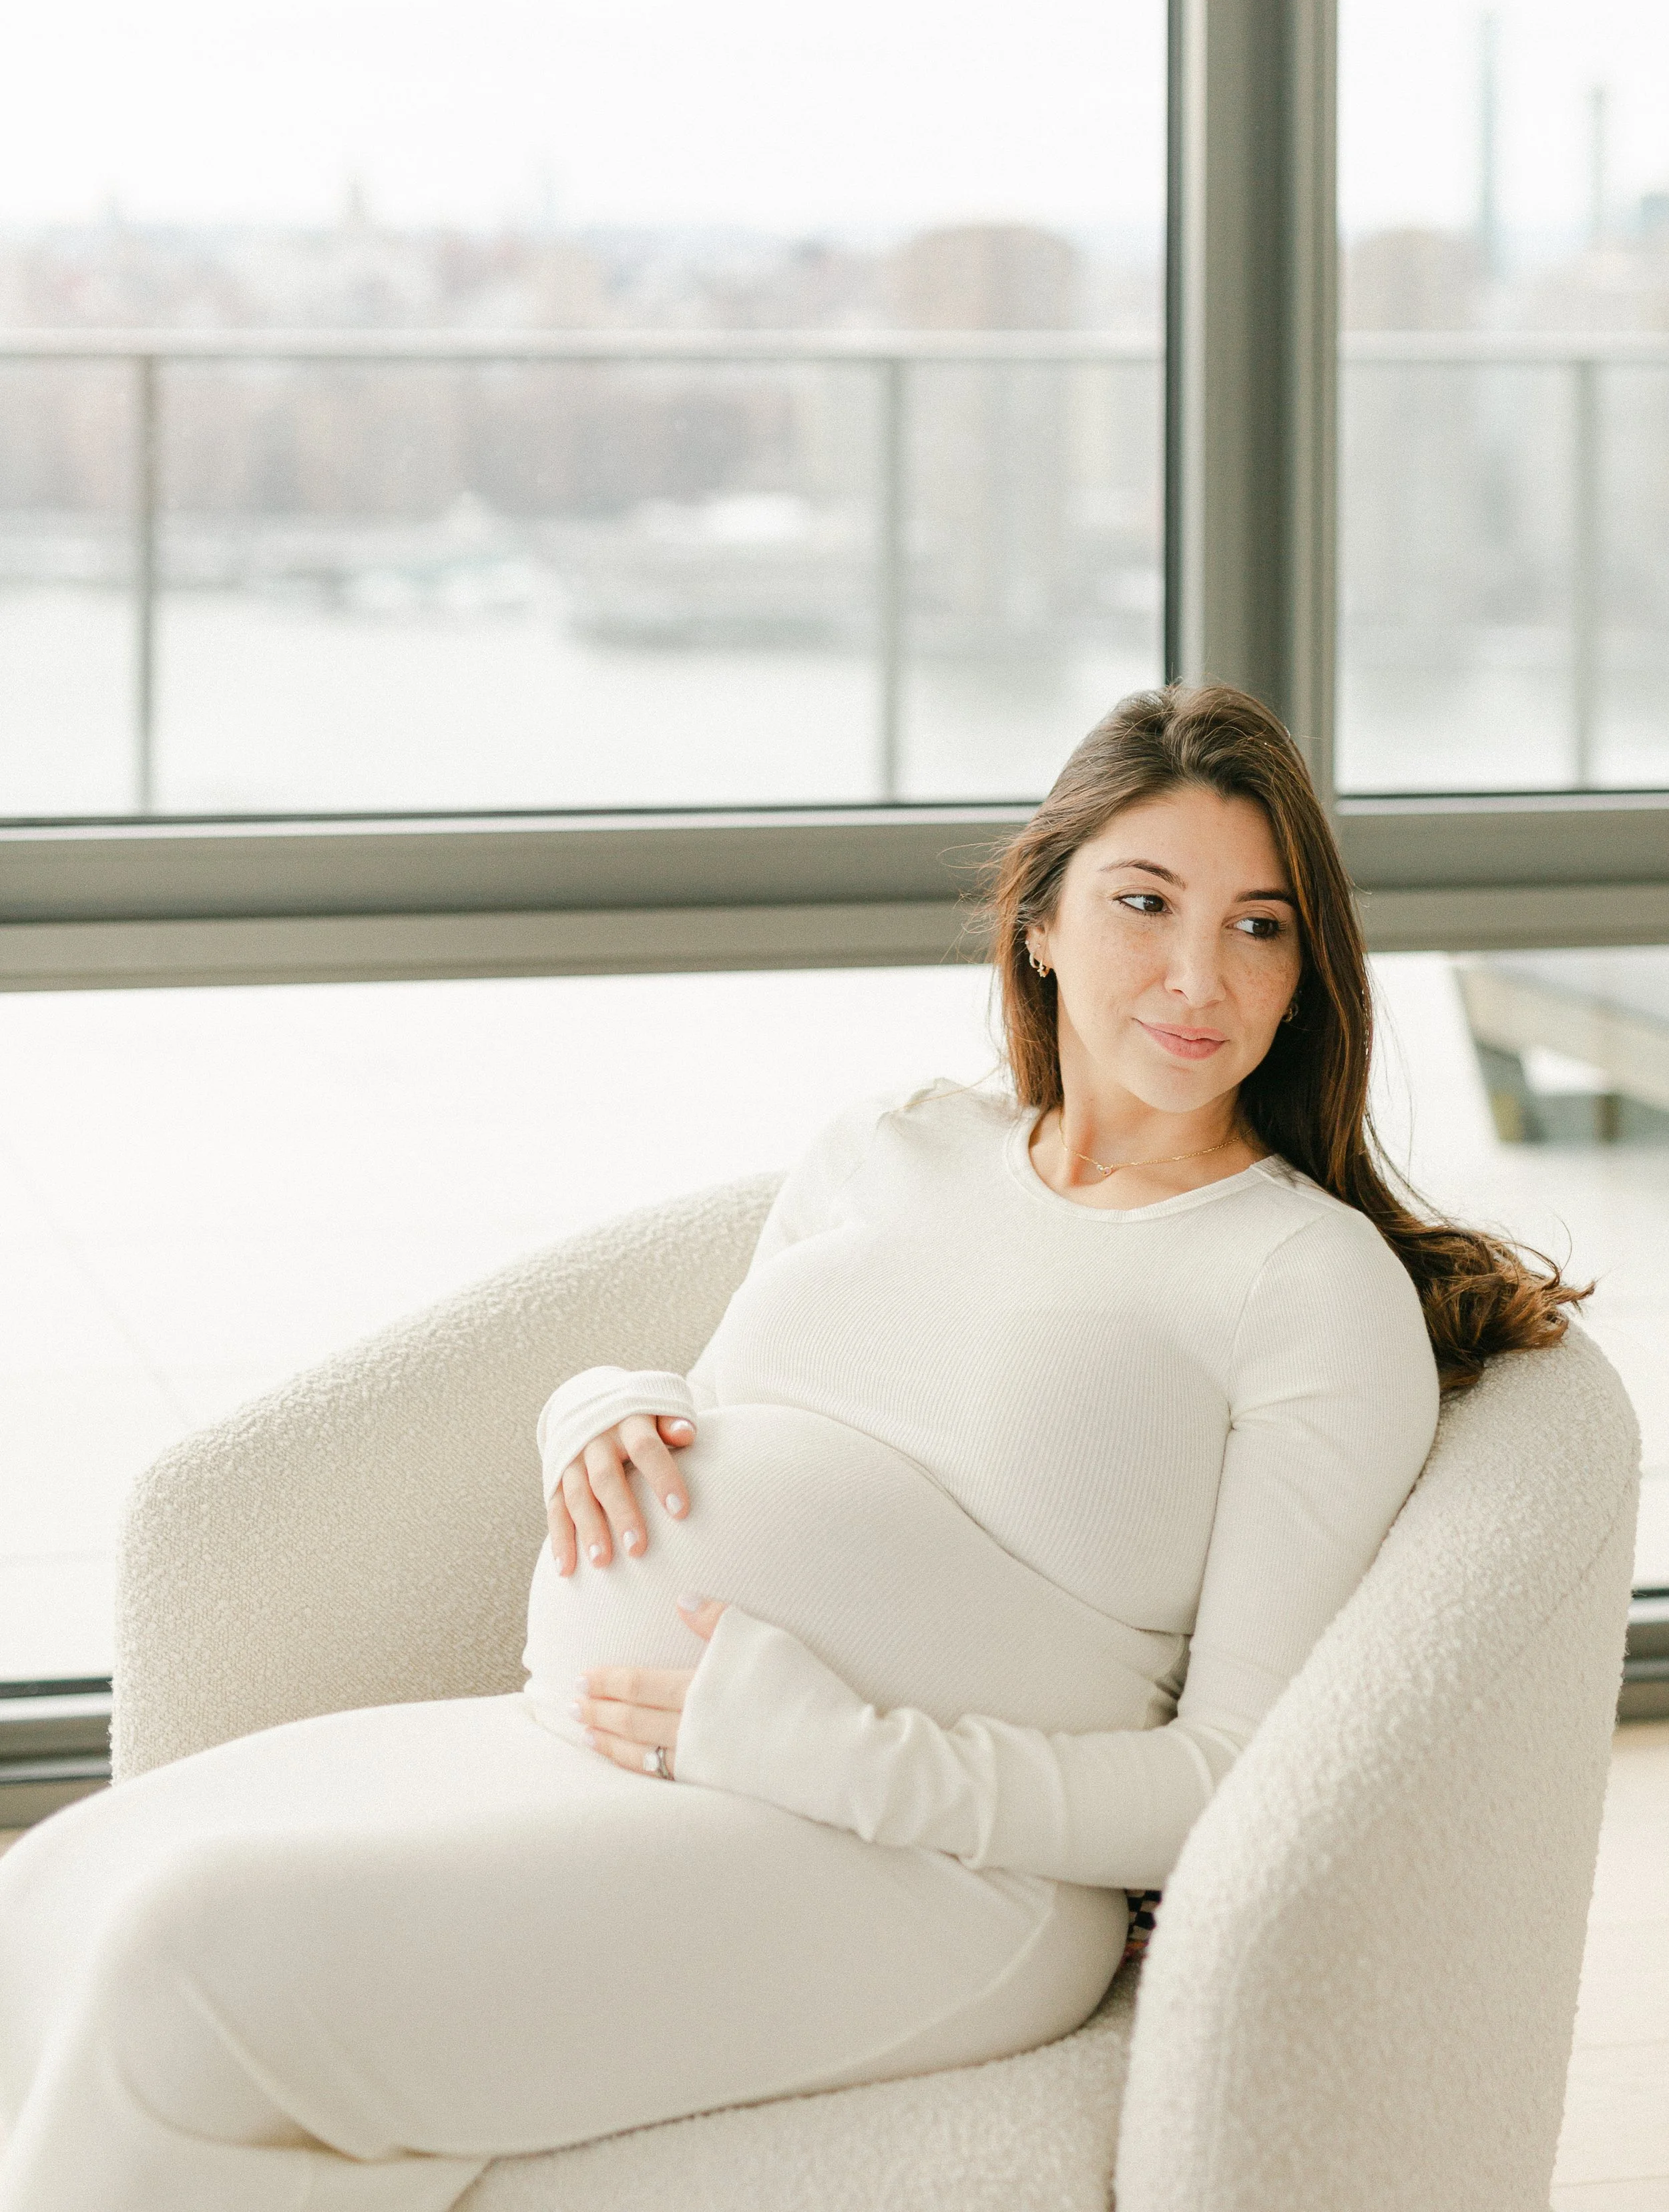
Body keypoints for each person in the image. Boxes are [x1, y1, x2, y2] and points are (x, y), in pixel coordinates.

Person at [0, 684, 1584, 2212]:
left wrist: (835, 1755)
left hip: (928, 1873)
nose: (1197, 976)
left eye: (1258, 926)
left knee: (190, 1964)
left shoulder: (1300, 1284)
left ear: (1307, 974)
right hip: (604, 1750)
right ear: (1038, 919)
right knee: (56, 1899)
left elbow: (1230, 1784)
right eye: (1143, 904)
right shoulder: (894, 1146)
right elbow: (744, 1422)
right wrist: (595, 1406)